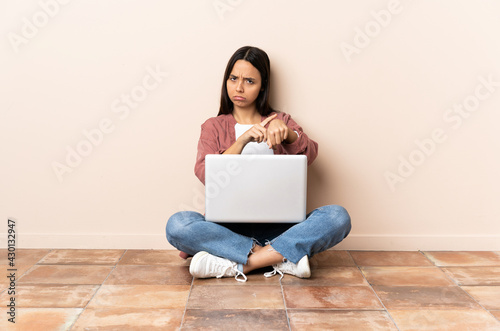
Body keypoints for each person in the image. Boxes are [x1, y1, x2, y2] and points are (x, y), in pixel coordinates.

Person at [166, 46, 351, 282]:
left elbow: (311, 154)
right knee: (177, 225)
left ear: (262, 85)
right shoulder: (213, 126)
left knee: (337, 216)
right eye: (233, 79)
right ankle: (281, 257)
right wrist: (242, 141)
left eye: (249, 81)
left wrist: (288, 134)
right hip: (226, 228)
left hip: (280, 226)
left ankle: (236, 264)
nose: (239, 87)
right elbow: (206, 173)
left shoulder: (281, 120)